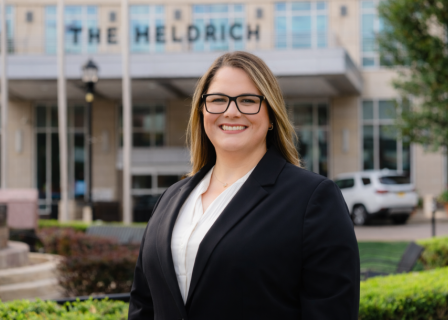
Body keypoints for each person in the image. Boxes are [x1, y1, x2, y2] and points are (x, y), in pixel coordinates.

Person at [128, 51, 360, 320]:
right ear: (202, 111)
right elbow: (143, 303)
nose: (231, 111)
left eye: (248, 101)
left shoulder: (313, 199)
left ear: (271, 115)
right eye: (218, 100)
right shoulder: (170, 198)